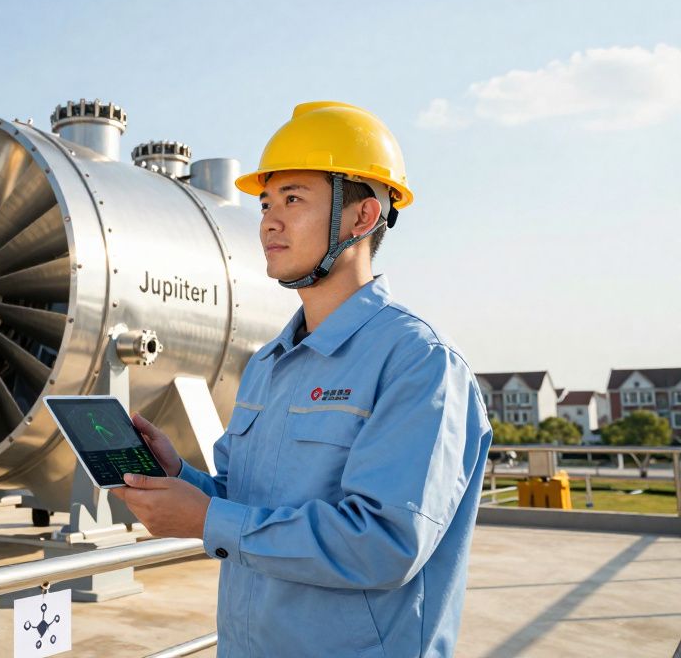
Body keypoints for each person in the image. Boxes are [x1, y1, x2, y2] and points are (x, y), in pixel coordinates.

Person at [112, 102, 492, 657]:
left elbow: (385, 544)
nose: (268, 220)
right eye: (266, 203)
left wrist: (209, 519)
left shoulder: (418, 362)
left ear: (363, 218)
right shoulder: (269, 363)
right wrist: (183, 479)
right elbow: (247, 502)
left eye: (293, 200)